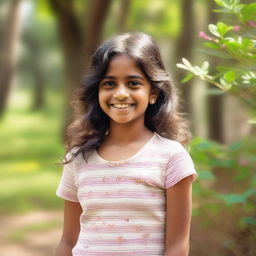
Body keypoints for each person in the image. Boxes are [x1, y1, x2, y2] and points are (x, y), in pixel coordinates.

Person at [55, 32, 198, 256]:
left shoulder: (171, 157)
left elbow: (178, 246)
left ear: (153, 93)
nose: (121, 94)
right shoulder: (79, 158)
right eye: (109, 83)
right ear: (98, 91)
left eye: (133, 83)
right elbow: (68, 241)